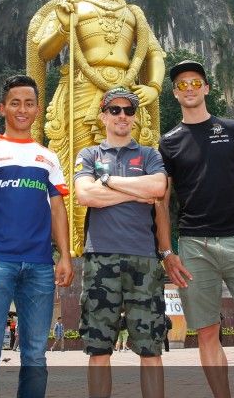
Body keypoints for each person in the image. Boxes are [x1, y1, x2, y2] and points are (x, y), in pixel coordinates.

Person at [27, 0, 166, 254]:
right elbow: (43, 51)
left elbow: (154, 54)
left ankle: (134, 240)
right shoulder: (74, 7)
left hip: (126, 94)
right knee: (81, 164)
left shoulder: (132, 13)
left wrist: (154, 87)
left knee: (131, 161)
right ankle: (77, 246)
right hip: (83, 91)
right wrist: (63, 26)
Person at [158, 60, 234, 398]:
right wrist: (167, 252)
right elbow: (161, 202)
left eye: (196, 82)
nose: (190, 88)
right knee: (207, 331)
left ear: (207, 88)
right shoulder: (169, 142)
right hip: (194, 244)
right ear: (175, 93)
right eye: (182, 85)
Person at [0, 75, 74, 398]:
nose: (22, 110)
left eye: (28, 104)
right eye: (15, 103)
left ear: (37, 109)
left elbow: (57, 209)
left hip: (40, 266)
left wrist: (65, 256)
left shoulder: (49, 157)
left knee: (36, 355)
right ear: (2, 108)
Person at [75, 87, 168, 398]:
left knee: (150, 347)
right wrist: (136, 192)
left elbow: (158, 188)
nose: (122, 115)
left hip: (144, 259)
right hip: (100, 258)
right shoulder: (89, 155)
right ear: (103, 116)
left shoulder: (150, 155)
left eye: (128, 110)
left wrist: (108, 182)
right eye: (114, 110)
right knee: (98, 348)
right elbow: (85, 195)